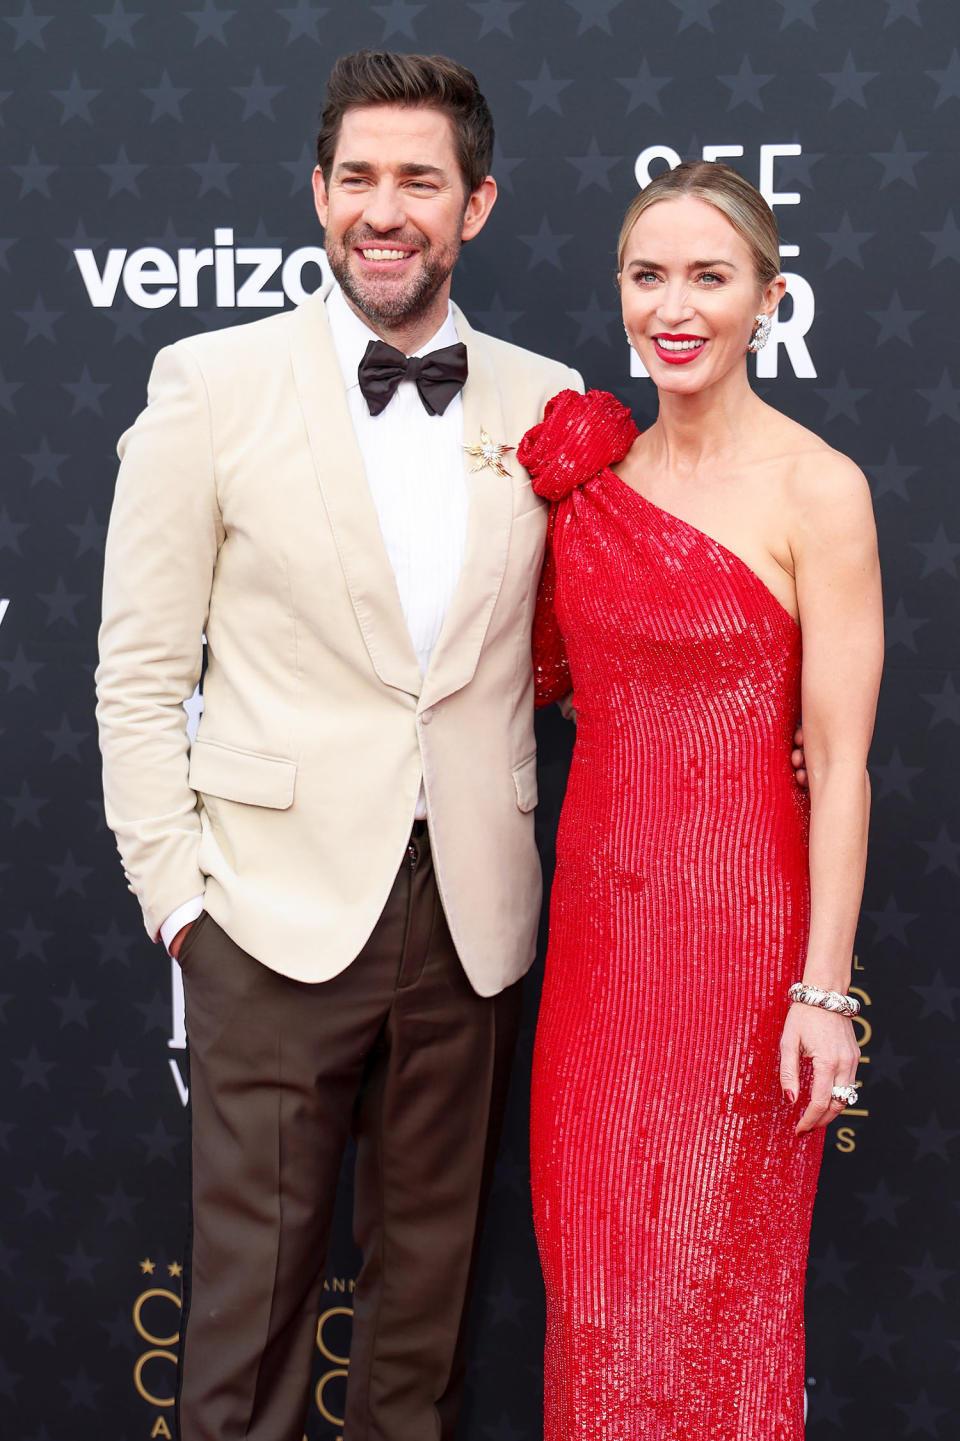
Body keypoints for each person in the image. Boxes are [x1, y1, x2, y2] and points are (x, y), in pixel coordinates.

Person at [95, 50, 581, 1441]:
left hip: (474, 920)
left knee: (421, 1333)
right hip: (268, 910)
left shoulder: (547, 405)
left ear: (474, 206)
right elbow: (139, 670)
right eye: (358, 177)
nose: (386, 208)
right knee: (243, 1335)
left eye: (419, 180)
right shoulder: (209, 379)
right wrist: (179, 901)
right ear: (317, 193)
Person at [519, 161, 883, 1440]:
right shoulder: (586, 484)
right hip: (600, 959)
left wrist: (823, 992)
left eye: (710, 277)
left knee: (718, 1306)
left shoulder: (818, 490)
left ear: (769, 300)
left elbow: (838, 762)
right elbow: (536, 680)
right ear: (620, 292)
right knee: (603, 1309)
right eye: (648, 275)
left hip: (745, 959)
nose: (675, 306)